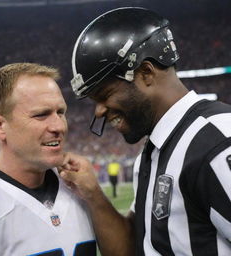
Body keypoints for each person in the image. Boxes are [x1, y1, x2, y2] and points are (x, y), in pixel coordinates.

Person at [61, 7, 231, 256]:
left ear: (146, 73)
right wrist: (93, 194)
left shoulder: (218, 140)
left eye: (105, 95)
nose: (98, 112)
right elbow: (133, 248)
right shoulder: (154, 150)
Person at [0, 63, 96, 256]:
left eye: (61, 112)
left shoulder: (79, 187)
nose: (59, 126)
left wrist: (96, 197)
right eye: (41, 115)